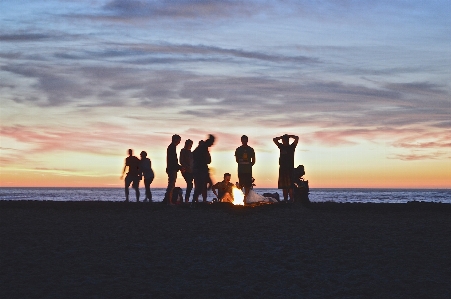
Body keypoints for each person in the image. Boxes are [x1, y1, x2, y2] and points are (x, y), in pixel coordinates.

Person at [273, 134, 299, 202]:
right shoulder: (281, 146)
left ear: (287, 140)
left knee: (290, 186)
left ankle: (291, 199)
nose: (284, 141)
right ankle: (285, 199)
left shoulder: (292, 147)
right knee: (284, 186)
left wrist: (290, 136)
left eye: (285, 140)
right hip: (282, 169)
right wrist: (281, 137)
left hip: (289, 169)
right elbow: (274, 140)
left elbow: (297, 138)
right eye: (283, 140)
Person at [192, 135, 215, 203]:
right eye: (212, 142)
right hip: (200, 169)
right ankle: (194, 201)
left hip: (203, 169)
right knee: (200, 186)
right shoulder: (202, 147)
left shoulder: (204, 147)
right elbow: (207, 160)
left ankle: (201, 198)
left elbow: (208, 160)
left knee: (208, 184)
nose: (213, 144)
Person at [235, 135, 255, 200]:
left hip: (248, 170)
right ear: (241, 140)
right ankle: (241, 198)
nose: (244, 141)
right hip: (241, 170)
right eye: (243, 140)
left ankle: (245, 198)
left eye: (245, 140)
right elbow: (237, 160)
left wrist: (249, 165)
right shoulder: (238, 149)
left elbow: (253, 160)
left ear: (247, 140)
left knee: (248, 185)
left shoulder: (251, 149)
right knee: (241, 184)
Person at [165, 134, 182, 205]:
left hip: (171, 168)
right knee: (171, 185)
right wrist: (179, 167)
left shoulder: (171, 147)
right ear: (175, 140)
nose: (179, 142)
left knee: (171, 184)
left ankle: (168, 200)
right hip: (172, 169)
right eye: (179, 140)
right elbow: (173, 160)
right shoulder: (172, 147)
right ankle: (169, 201)